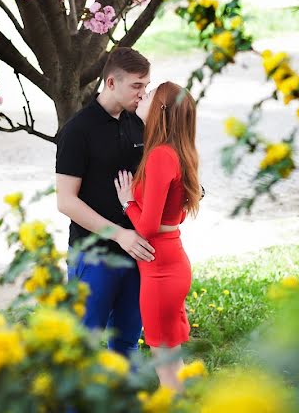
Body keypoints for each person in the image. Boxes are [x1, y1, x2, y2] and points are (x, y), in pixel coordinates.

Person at [55, 47, 155, 357]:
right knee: (82, 347)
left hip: (136, 252)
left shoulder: (138, 122)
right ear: (111, 83)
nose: (143, 94)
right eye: (136, 86)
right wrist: (119, 235)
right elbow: (66, 201)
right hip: (94, 254)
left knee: (126, 343)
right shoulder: (77, 131)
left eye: (146, 86)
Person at [114, 82, 200, 390]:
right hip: (170, 261)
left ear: (160, 110)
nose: (143, 95)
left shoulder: (161, 156)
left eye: (150, 94)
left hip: (161, 269)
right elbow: (173, 215)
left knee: (165, 367)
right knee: (172, 361)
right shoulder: (178, 151)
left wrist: (128, 202)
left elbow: (148, 228)